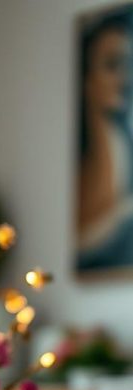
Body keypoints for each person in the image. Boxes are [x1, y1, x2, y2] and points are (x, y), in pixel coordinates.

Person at [77, 9, 133, 271]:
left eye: (127, 65)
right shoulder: (84, 177)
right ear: (87, 79)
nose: (124, 79)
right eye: (112, 65)